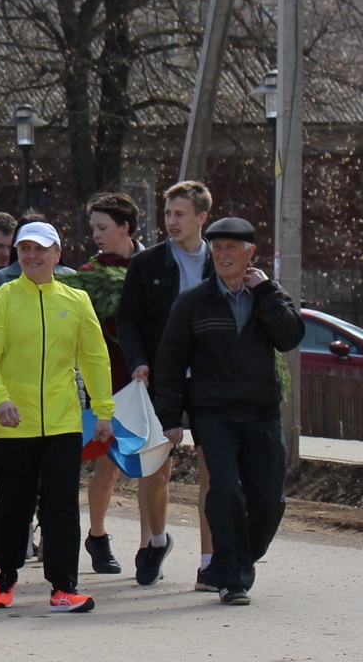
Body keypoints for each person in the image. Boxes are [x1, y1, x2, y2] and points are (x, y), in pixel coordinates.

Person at [151, 216, 300, 607]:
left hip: (262, 412)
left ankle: (232, 561)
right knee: (226, 492)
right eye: (217, 247)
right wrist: (170, 418)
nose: (223, 254)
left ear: (250, 252)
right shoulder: (194, 302)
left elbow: (289, 337)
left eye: (232, 247)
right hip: (213, 414)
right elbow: (169, 363)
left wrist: (267, 292)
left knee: (269, 500)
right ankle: (232, 577)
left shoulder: (267, 296)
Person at [0, 220, 110, 614]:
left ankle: (63, 586)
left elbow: (95, 357)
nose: (32, 256)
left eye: (40, 249)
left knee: (62, 504)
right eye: (25, 249)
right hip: (15, 422)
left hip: (64, 421)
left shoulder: (76, 300)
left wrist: (103, 410)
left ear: (57, 254)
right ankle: (7, 576)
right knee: (13, 506)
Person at [116, 180, 217, 587]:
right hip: (160, 378)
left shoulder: (219, 262)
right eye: (167, 213)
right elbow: (128, 320)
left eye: (180, 214)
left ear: (201, 218)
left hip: (210, 381)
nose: (171, 222)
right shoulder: (148, 264)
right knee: (155, 469)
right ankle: (156, 541)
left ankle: (210, 560)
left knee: (215, 473)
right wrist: (138, 362)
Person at [77, 193, 144, 576]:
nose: (97, 235)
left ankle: (151, 543)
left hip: (143, 382)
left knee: (150, 467)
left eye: (103, 228)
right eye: (94, 228)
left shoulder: (151, 266)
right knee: (108, 466)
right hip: (103, 382)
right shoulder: (88, 275)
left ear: (125, 228)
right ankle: (98, 537)